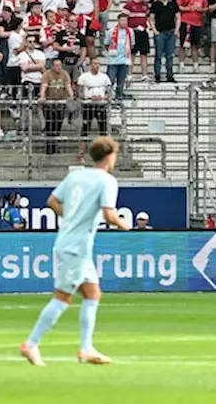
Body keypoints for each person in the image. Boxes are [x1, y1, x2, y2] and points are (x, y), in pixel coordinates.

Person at [20, 136, 129, 367]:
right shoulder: (107, 180)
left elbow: (52, 201)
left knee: (93, 294)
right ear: (110, 156)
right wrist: (124, 224)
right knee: (62, 298)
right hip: (75, 247)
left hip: (73, 243)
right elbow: (109, 214)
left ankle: (86, 348)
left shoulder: (75, 175)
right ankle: (31, 344)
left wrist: (70, 216)